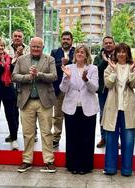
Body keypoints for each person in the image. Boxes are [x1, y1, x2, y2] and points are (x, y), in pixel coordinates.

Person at [12, 37, 57, 173]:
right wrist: (28, 77)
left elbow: (54, 76)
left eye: (38, 46)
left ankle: (49, 161)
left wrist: (39, 75)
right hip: (27, 101)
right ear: (29, 47)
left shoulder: (49, 59)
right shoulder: (21, 59)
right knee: (27, 133)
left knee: (47, 133)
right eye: (33, 46)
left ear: (43, 47)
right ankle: (27, 160)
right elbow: (14, 76)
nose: (36, 49)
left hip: (45, 102)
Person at [101, 43, 135, 176]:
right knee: (111, 139)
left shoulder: (133, 67)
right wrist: (113, 71)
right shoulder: (109, 67)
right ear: (115, 53)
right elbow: (108, 84)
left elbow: (134, 84)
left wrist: (130, 71)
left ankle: (126, 169)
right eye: (119, 52)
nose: (121, 54)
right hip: (113, 107)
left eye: (124, 52)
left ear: (128, 53)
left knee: (128, 140)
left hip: (128, 108)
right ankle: (110, 168)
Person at [60, 44, 99, 175]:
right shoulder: (68, 68)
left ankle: (86, 166)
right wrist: (67, 77)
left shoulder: (93, 68)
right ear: (74, 55)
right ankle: (72, 165)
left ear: (87, 55)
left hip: (88, 108)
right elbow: (63, 89)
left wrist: (86, 80)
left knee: (87, 138)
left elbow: (95, 88)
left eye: (82, 52)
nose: (80, 54)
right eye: (78, 52)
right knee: (72, 137)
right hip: (71, 107)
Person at [5, 29, 31, 143]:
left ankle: (32, 134)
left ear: (23, 38)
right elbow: (7, 65)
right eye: (15, 36)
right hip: (11, 83)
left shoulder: (29, 49)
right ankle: (13, 133)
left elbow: (30, 63)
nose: (17, 38)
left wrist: (21, 55)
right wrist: (15, 56)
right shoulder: (6, 49)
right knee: (12, 111)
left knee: (29, 111)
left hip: (26, 83)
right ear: (12, 37)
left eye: (19, 36)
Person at [50, 31, 75, 148]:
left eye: (68, 39)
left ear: (71, 41)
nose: (65, 41)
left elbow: (79, 65)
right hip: (59, 89)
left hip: (73, 89)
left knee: (72, 115)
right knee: (58, 115)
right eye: (64, 39)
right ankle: (56, 138)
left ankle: (72, 138)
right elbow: (51, 67)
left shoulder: (76, 51)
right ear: (61, 40)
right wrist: (63, 63)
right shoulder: (55, 52)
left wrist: (68, 62)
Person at [93, 36, 115, 148]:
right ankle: (103, 138)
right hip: (103, 90)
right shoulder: (98, 57)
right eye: (106, 43)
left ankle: (115, 138)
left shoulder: (119, 56)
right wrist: (104, 61)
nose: (108, 45)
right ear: (103, 45)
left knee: (115, 114)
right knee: (103, 114)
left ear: (114, 44)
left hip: (116, 90)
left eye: (110, 43)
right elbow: (95, 71)